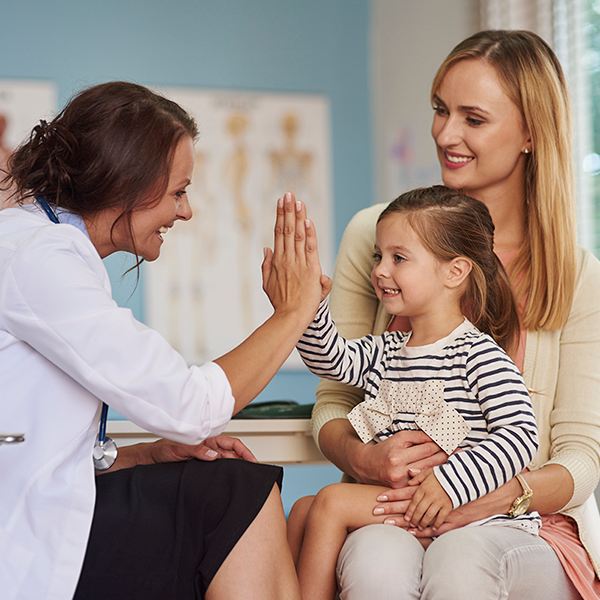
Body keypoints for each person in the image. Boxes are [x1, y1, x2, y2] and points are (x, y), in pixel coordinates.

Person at [0, 81, 331, 600]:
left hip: (31, 509)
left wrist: (146, 456)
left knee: (226, 486)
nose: (185, 211)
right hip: (22, 545)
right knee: (235, 493)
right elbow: (190, 406)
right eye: (179, 191)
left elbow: (34, 441)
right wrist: (293, 312)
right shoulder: (40, 260)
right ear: (126, 185)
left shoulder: (35, 244)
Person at [312, 30, 600, 599]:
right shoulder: (377, 235)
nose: (446, 134)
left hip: (524, 523)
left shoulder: (578, 275)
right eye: (441, 110)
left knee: (461, 556)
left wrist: (485, 497)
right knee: (373, 560)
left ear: (530, 133)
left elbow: (580, 457)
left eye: (473, 118)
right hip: (393, 507)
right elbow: (333, 403)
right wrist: (369, 461)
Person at [287, 186, 539, 600]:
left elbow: (520, 437)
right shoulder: (386, 349)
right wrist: (306, 305)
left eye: (398, 258)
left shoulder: (478, 355)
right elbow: (329, 360)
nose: (381, 271)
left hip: (454, 508)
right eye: (378, 257)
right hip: (405, 499)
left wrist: (448, 483)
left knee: (330, 502)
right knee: (300, 512)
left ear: (455, 272)